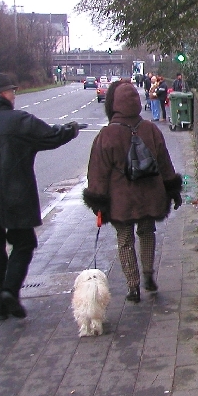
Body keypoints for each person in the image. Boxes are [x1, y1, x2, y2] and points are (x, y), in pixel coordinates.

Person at [0, 73, 81, 320]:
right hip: (16, 194)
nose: (14, 94)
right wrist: (70, 130)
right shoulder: (19, 121)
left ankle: (1, 304)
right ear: (1, 94)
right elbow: (50, 136)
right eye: (11, 91)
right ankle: (9, 290)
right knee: (24, 243)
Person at [83, 81, 182, 302]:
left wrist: (98, 201)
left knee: (125, 239)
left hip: (121, 199)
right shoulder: (150, 129)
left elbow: (97, 172)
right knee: (147, 233)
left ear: (114, 104)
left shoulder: (106, 135)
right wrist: (172, 190)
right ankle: (148, 274)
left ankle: (133, 286)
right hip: (150, 194)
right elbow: (165, 163)